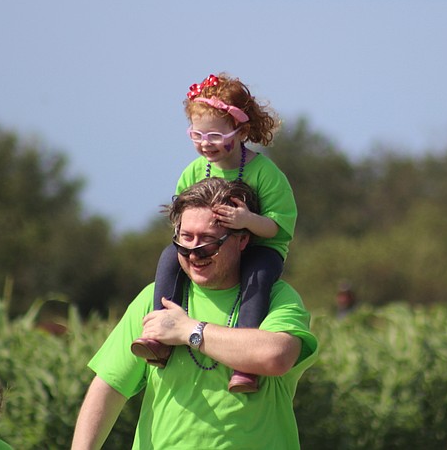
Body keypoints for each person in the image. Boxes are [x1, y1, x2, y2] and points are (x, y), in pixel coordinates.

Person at [71, 177, 318, 450]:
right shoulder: (154, 299)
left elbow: (276, 356)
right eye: (185, 238)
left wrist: (189, 330)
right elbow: (110, 387)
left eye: (209, 241)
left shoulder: (277, 297)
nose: (194, 252)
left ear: (242, 239)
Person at [131, 72, 298, 394]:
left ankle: (245, 364)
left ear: (242, 130)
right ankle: (158, 335)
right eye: (197, 134)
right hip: (211, 244)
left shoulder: (265, 173)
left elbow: (278, 227)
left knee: (257, 276)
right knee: (170, 256)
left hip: (261, 247)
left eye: (214, 136)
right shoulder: (193, 171)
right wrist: (191, 239)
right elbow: (182, 217)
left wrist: (246, 219)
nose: (205, 144)